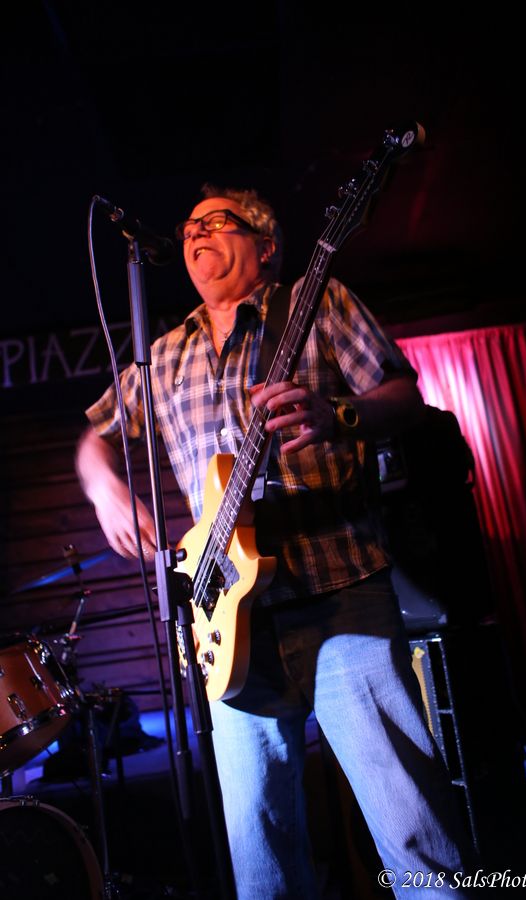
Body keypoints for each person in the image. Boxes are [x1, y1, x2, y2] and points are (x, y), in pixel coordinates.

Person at [76, 185, 471, 898]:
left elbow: (403, 396)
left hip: (338, 592)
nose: (195, 233)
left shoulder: (319, 303)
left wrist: (338, 415)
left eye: (215, 221)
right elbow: (94, 439)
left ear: (265, 246)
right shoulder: (161, 356)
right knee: (261, 857)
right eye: (188, 226)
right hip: (230, 627)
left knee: (412, 829)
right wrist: (104, 484)